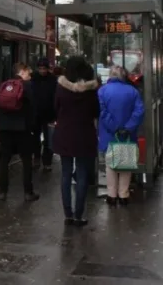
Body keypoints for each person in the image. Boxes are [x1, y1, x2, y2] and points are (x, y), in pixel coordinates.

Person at [53, 56, 99, 227]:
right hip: (84, 135)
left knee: (65, 174)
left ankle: (68, 214)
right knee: (81, 174)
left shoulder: (61, 87)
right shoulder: (91, 89)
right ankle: (79, 215)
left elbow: (56, 107)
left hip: (64, 133)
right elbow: (96, 111)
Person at [98, 65, 145, 207]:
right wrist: (127, 128)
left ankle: (111, 195)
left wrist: (114, 127)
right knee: (126, 163)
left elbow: (102, 112)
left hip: (109, 134)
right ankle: (124, 194)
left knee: (110, 165)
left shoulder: (102, 91)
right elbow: (139, 111)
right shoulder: (133, 91)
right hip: (128, 135)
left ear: (111, 76)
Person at [0, 63, 39, 202]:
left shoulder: (4, 85)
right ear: (21, 72)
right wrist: (32, 127)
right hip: (22, 129)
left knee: (4, 160)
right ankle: (28, 192)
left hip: (4, 129)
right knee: (26, 160)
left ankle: (2, 191)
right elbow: (32, 108)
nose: (29, 75)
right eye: (27, 72)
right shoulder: (27, 86)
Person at [31, 57, 57, 171]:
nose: (42, 71)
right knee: (35, 138)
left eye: (44, 68)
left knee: (48, 140)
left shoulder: (53, 80)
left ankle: (47, 162)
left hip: (49, 115)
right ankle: (37, 158)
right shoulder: (34, 78)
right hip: (36, 114)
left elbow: (55, 98)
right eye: (40, 68)